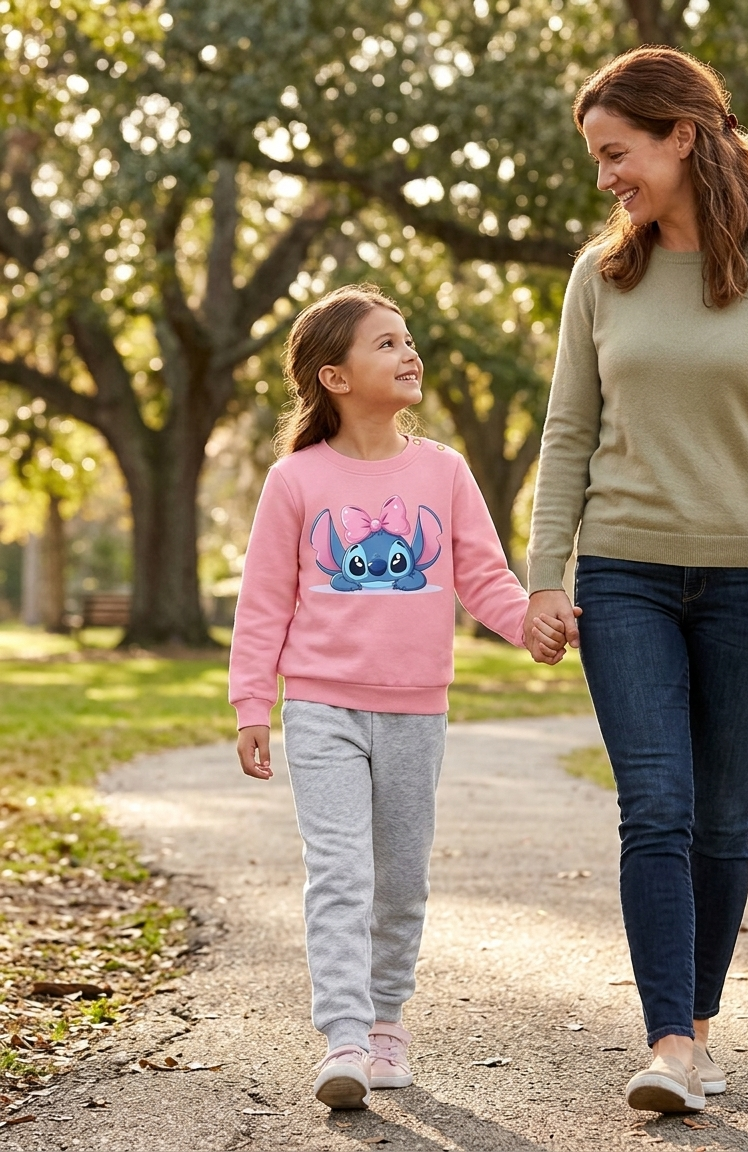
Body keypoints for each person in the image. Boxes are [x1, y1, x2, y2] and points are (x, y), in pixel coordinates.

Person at [524, 47, 748, 1114]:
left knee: (719, 813)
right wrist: (544, 576)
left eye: (619, 153)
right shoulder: (599, 276)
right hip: (626, 575)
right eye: (597, 159)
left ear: (684, 135)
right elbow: (568, 434)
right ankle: (668, 1042)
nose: (608, 176)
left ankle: (697, 1032)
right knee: (653, 805)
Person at [229, 283, 564, 1111]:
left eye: (407, 340)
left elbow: (480, 573)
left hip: (417, 708)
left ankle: (385, 1022)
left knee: (401, 876)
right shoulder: (294, 480)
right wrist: (250, 705)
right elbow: (263, 601)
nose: (408, 353)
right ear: (334, 377)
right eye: (386, 343)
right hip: (320, 707)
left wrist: (528, 623)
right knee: (339, 871)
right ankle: (342, 1036)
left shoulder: (442, 472)